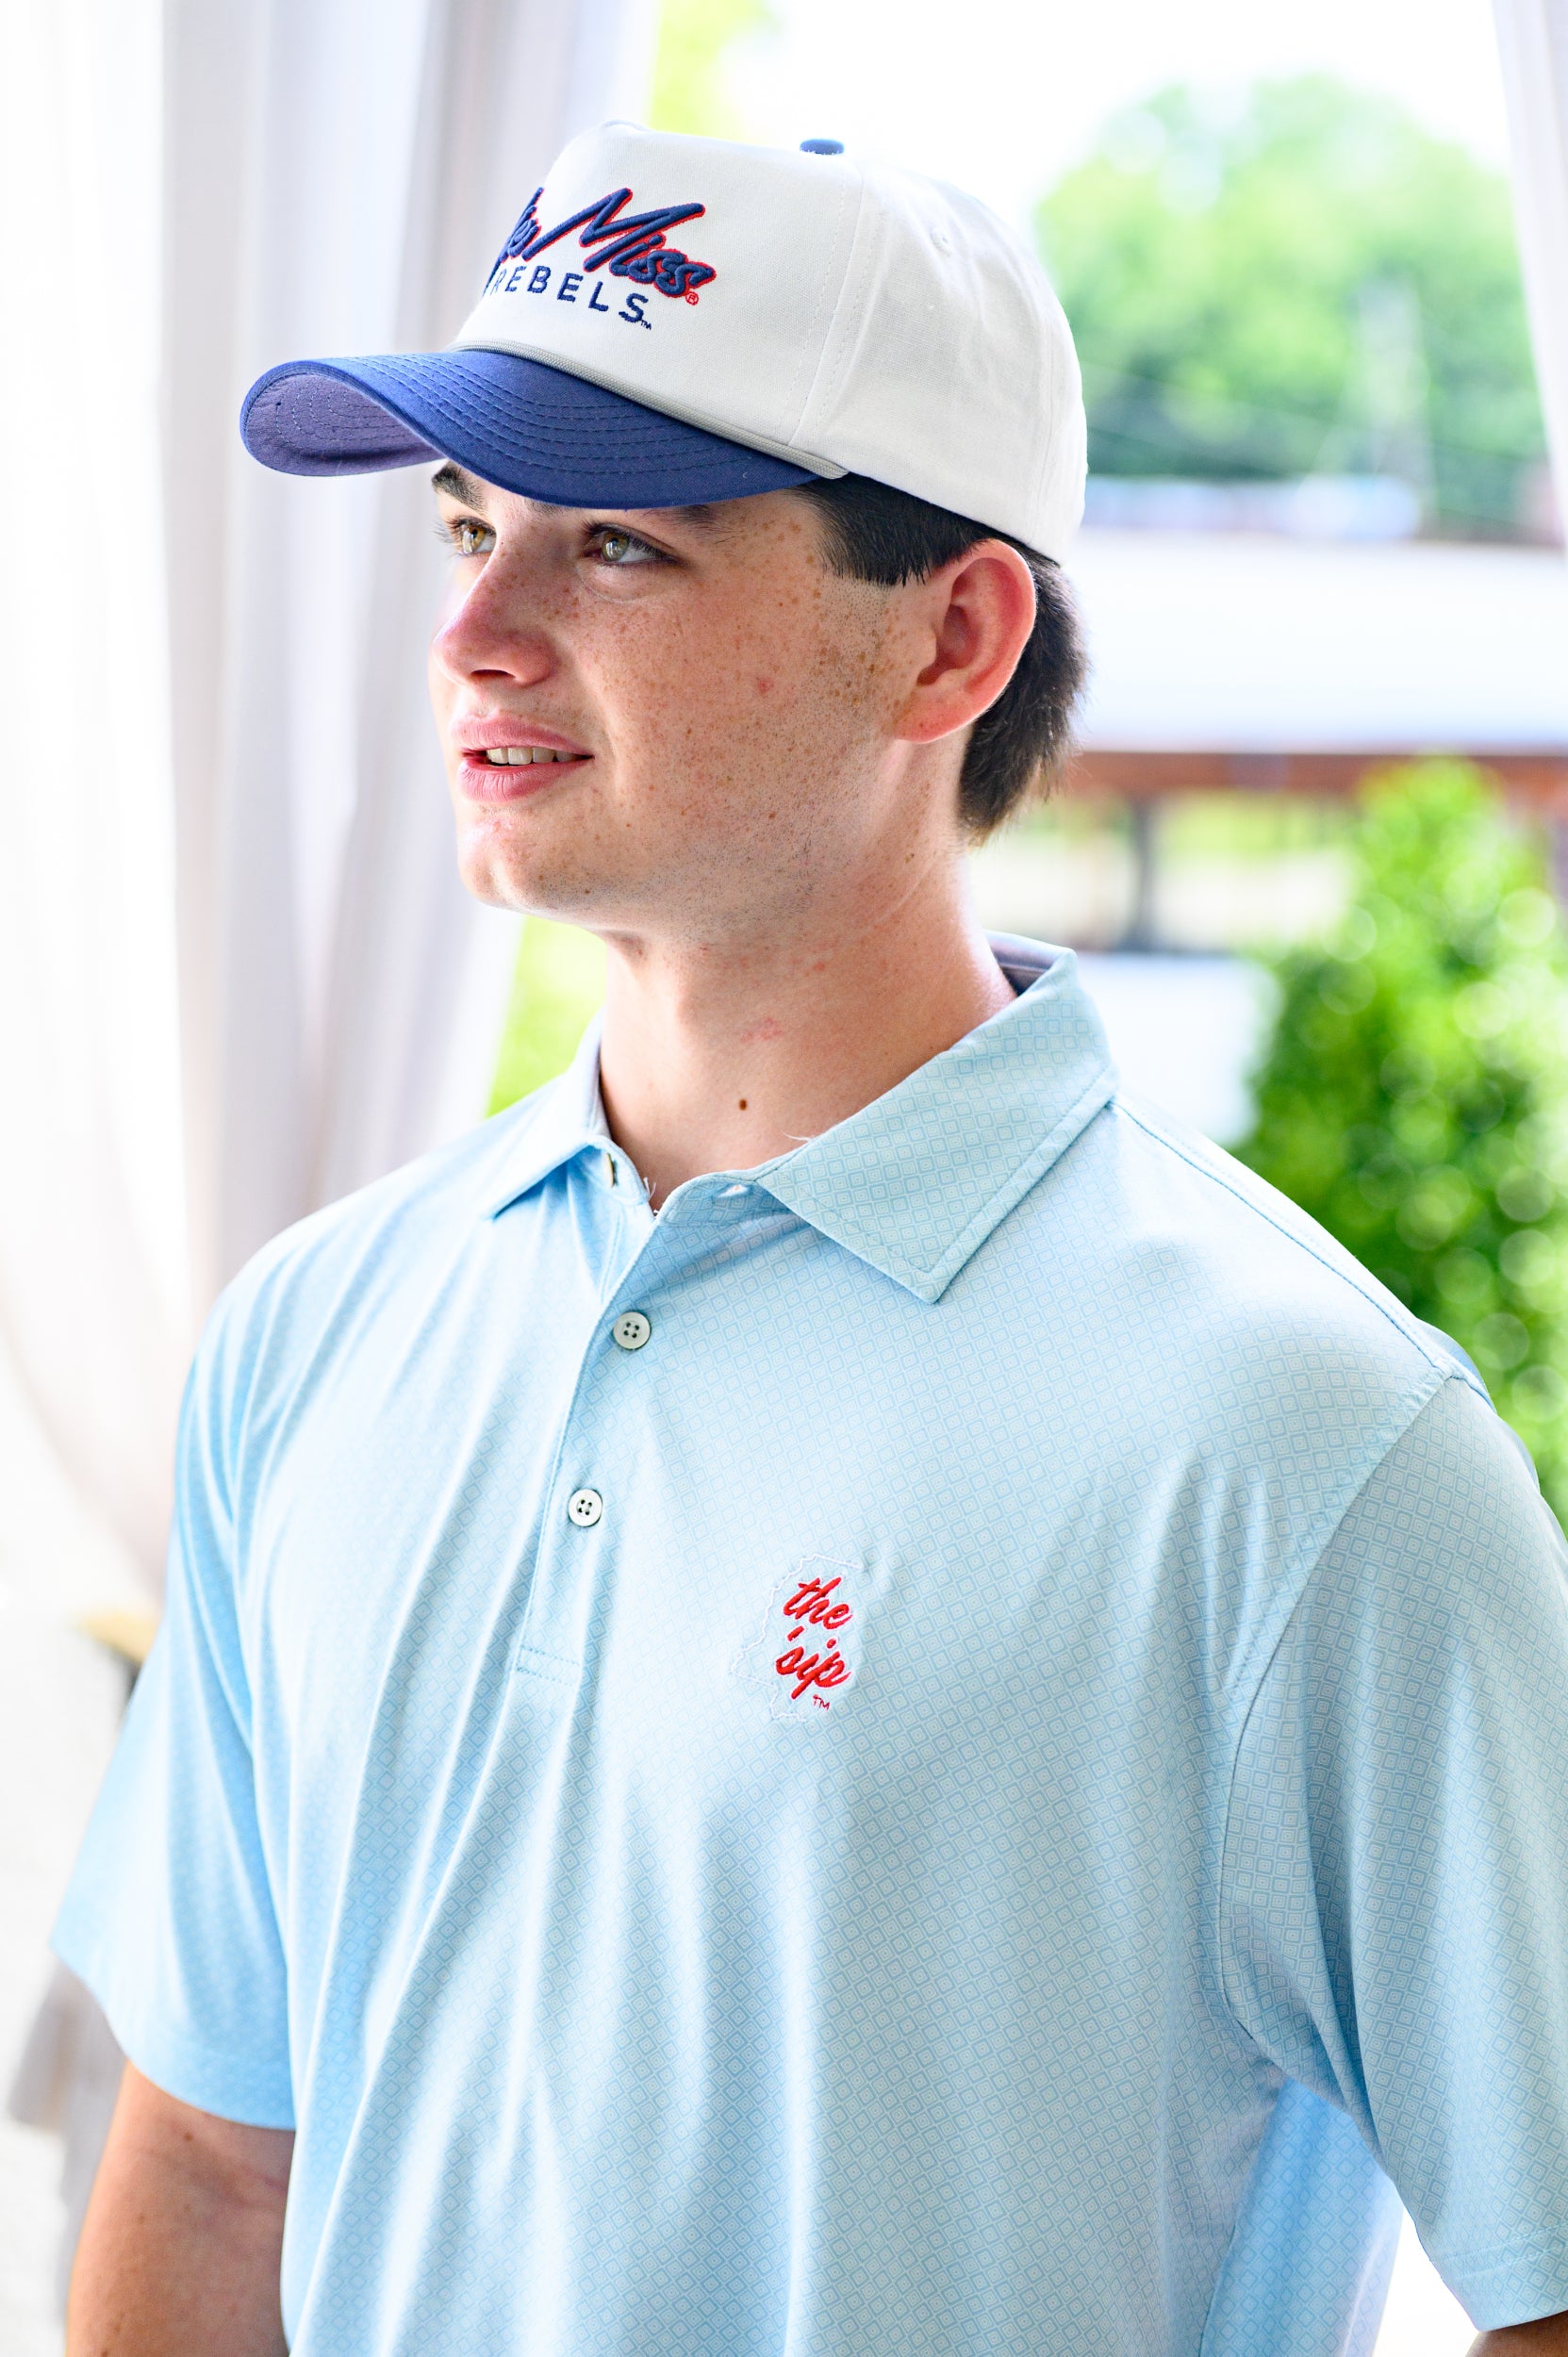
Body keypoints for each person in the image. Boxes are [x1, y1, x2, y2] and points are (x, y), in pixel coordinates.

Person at [55, 122, 1568, 2357]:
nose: (473, 630)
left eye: (617, 545)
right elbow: (212, 2160)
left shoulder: (1314, 1453)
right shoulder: (315, 1329)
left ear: (951, 635)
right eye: (465, 524)